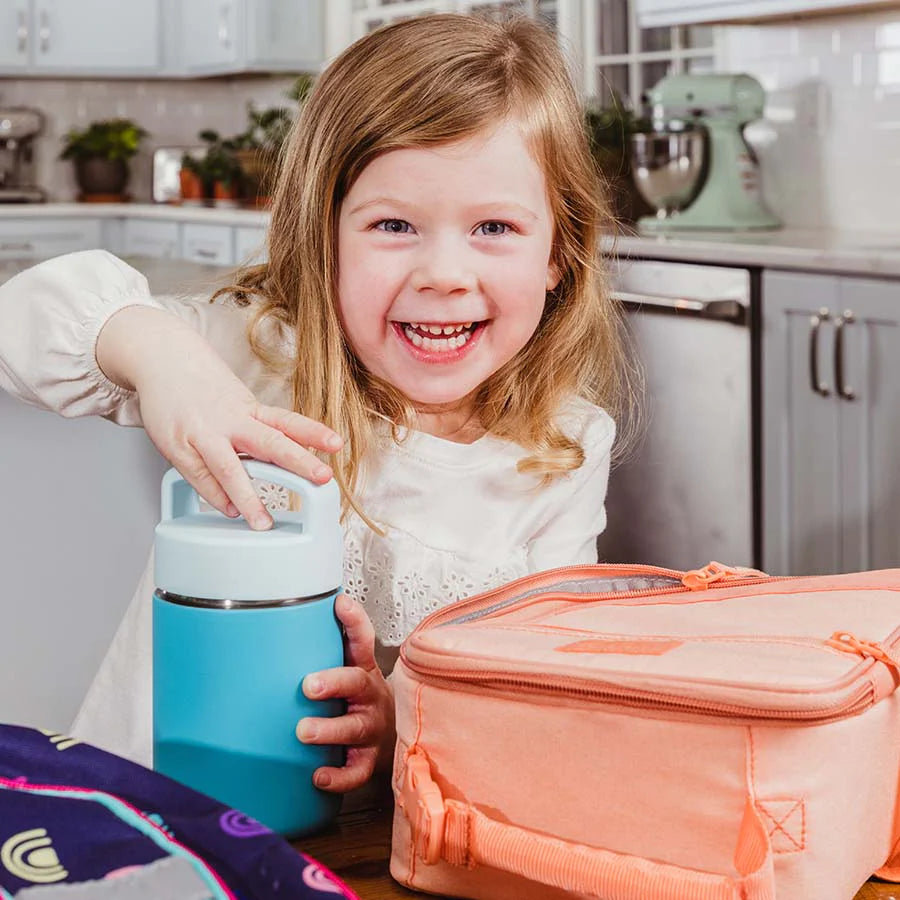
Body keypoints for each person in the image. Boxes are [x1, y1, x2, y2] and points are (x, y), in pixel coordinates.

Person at [0, 13, 634, 795]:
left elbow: (539, 691)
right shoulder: (259, 355)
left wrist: (397, 724)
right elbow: (22, 321)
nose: (443, 274)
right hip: (152, 811)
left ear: (558, 253)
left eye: (494, 227)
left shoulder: (565, 447)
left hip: (366, 837)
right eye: (394, 224)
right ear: (323, 237)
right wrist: (161, 356)